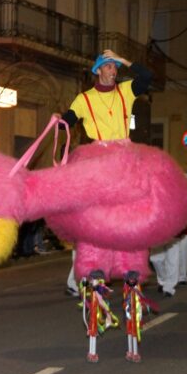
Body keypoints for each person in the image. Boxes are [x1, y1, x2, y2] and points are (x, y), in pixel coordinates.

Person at [60, 49, 152, 292]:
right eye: (109, 66)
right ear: (98, 70)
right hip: (98, 158)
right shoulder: (84, 98)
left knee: (127, 212)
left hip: (123, 158)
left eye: (115, 67)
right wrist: (61, 121)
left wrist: (123, 59)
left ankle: (129, 261)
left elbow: (146, 77)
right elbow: (69, 118)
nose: (113, 71)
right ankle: (89, 265)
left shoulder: (125, 91)